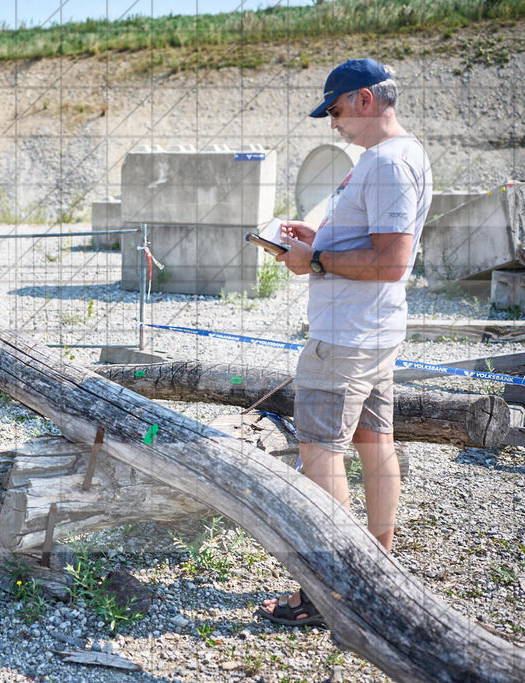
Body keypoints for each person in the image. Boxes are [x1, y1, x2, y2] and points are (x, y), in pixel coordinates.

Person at [258, 59, 432, 627]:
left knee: (319, 455)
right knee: (374, 443)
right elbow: (378, 243)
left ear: (363, 99)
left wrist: (316, 259)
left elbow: (391, 260)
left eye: (334, 110)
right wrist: (323, 239)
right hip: (375, 332)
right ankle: (376, 566)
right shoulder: (405, 154)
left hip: (345, 338)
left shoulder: (384, 163)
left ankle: (335, 590)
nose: (332, 123)